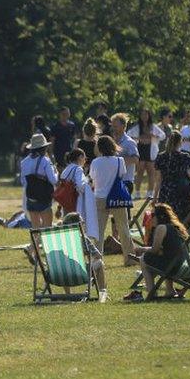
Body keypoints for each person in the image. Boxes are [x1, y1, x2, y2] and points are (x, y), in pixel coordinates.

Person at [124, 203, 190, 302]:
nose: (150, 218)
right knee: (165, 257)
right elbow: (168, 249)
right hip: (181, 264)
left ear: (160, 216)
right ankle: (170, 290)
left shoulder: (161, 228)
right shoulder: (176, 227)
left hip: (172, 267)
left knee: (144, 259)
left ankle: (152, 292)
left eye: (152, 215)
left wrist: (140, 249)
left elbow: (154, 249)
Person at [89, 136, 135, 266]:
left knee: (99, 231)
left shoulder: (95, 162)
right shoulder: (120, 161)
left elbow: (92, 177)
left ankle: (98, 259)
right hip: (116, 197)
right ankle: (129, 258)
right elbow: (121, 175)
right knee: (124, 228)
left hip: (100, 197)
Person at [61, 212, 108, 303]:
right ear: (78, 225)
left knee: (64, 265)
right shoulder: (82, 238)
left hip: (58, 275)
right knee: (99, 263)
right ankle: (102, 294)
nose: (84, 224)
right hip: (79, 274)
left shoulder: (56, 238)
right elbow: (98, 255)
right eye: (82, 223)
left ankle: (68, 294)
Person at [154, 131, 190, 221]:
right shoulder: (185, 157)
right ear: (180, 142)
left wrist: (155, 198)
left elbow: (158, 180)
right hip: (182, 193)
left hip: (166, 193)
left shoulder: (161, 157)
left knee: (166, 219)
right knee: (184, 220)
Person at [20, 133, 58, 229]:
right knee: (47, 228)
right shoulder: (45, 161)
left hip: (31, 197)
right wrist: (56, 173)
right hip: (44, 198)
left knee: (35, 229)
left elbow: (23, 182)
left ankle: (34, 244)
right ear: (44, 148)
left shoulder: (24, 162)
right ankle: (46, 244)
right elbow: (53, 180)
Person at [127, 108, 166, 200]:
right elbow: (128, 134)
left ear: (149, 116)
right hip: (140, 149)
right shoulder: (137, 127)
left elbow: (163, 135)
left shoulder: (153, 126)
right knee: (139, 171)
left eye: (146, 114)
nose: (144, 116)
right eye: (142, 114)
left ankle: (150, 193)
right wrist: (137, 138)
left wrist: (154, 136)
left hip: (150, 150)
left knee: (151, 172)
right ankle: (137, 193)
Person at [51, 107, 77, 171]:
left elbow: (75, 139)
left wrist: (75, 151)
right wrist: (51, 154)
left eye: (67, 113)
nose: (65, 115)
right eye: (63, 114)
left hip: (69, 152)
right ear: (60, 114)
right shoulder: (55, 126)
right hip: (58, 153)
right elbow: (52, 141)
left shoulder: (72, 125)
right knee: (59, 172)